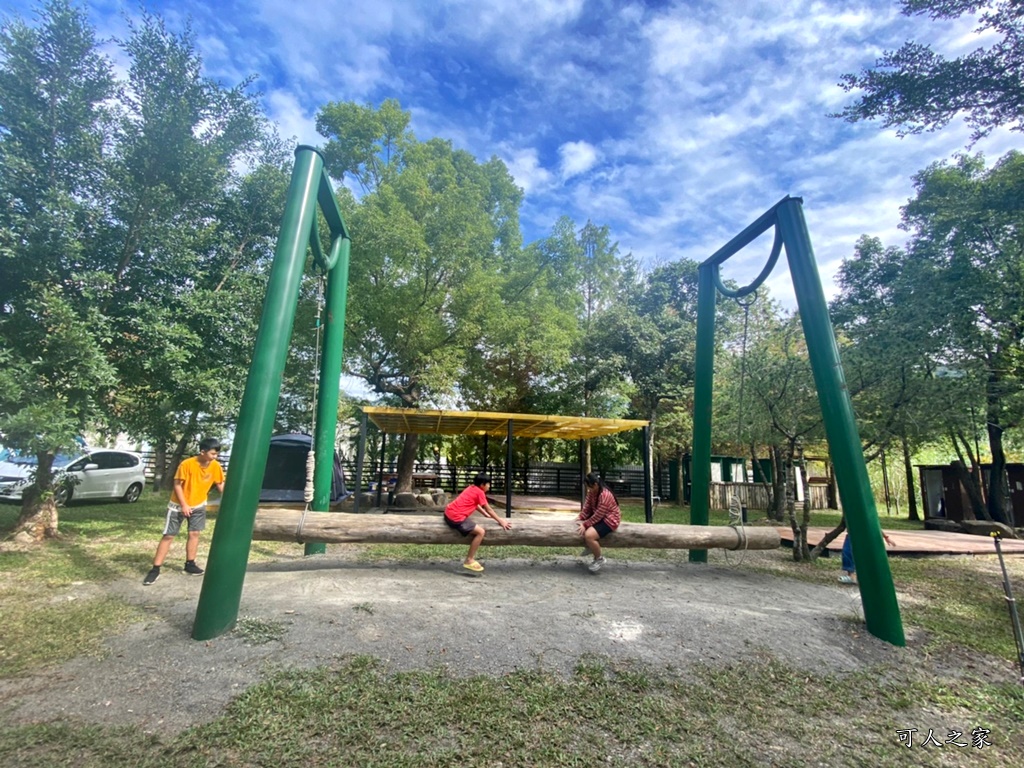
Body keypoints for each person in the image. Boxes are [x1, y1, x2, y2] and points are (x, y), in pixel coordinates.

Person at [143, 438, 225, 585]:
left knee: (195, 533)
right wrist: (184, 505)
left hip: (199, 505)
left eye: (217, 454)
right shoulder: (187, 464)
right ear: (203, 452)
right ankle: (155, 569)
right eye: (213, 454)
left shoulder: (215, 466)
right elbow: (177, 485)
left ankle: (190, 564)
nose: (215, 457)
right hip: (178, 505)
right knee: (169, 535)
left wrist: (227, 499)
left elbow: (220, 483)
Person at [443, 473, 512, 573]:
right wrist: (501, 521)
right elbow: (489, 509)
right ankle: (469, 560)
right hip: (456, 518)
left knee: (476, 526)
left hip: (448, 513)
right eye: (488, 484)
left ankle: (469, 559)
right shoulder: (480, 492)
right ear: (482, 485)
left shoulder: (471, 488)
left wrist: (483, 513)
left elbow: (475, 503)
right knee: (481, 532)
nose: (489, 486)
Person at [578, 472, 621, 573]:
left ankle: (599, 559)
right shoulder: (592, 492)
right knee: (584, 527)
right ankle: (591, 547)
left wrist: (585, 524)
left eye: (589, 487)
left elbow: (598, 515)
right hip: (600, 516)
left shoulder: (604, 495)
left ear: (595, 485)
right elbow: (587, 507)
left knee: (589, 535)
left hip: (610, 520)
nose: (588, 489)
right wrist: (580, 517)